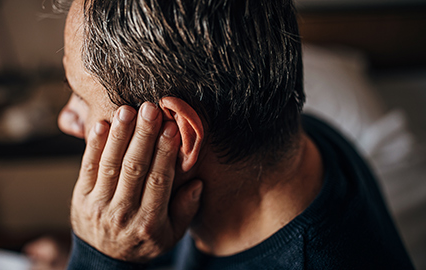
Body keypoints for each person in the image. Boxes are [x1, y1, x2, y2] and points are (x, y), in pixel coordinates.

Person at [55, 0, 414, 269]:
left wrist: (96, 258)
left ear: (175, 134)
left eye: (83, 98)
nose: (67, 119)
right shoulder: (304, 138)